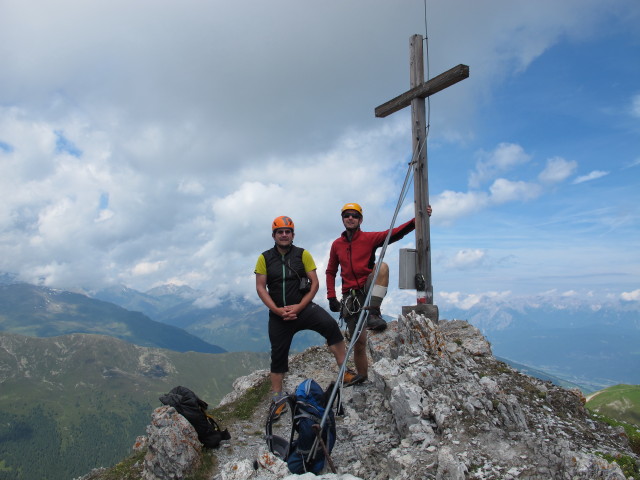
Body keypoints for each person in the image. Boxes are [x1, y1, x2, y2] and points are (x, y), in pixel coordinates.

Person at [255, 215, 364, 416]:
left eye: (288, 231)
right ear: (274, 235)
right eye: (280, 232)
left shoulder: (303, 254)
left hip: (303, 308)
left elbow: (314, 283)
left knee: (331, 327)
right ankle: (277, 398)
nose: (284, 235)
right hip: (278, 313)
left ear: (293, 234)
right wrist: (277, 310)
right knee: (278, 354)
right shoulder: (264, 258)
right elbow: (261, 287)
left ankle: (343, 372)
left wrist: (298, 307)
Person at [325, 202, 432, 381]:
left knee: (382, 267)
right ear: (342, 219)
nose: (350, 218)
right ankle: (362, 376)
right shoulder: (337, 245)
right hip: (350, 298)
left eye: (354, 215)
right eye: (347, 215)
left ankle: (373, 312)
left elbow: (395, 233)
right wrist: (331, 297)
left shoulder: (369, 238)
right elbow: (330, 271)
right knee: (358, 342)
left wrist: (419, 219)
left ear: (360, 219)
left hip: (367, 289)